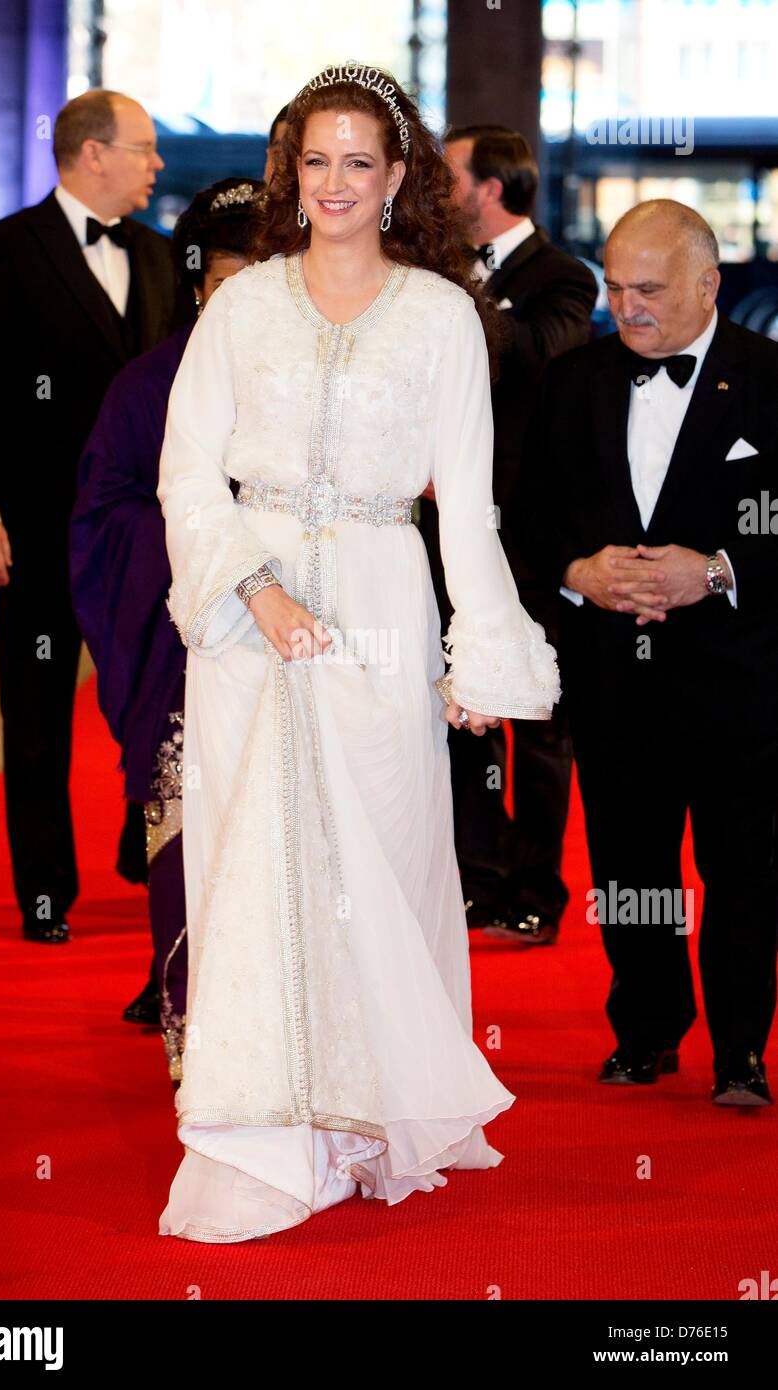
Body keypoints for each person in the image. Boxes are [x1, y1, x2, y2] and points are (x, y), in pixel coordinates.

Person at [155, 63, 560, 1244]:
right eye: (313, 161)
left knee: (377, 858)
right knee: (257, 862)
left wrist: (480, 655)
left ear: (396, 180)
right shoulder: (240, 306)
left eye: (358, 162)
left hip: (382, 605)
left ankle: (373, 1112)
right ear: (291, 174)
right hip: (245, 620)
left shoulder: (442, 317)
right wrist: (255, 586)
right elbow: (186, 471)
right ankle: (266, 1131)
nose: (333, 183)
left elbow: (469, 508)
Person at [524, 199, 778, 1104]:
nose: (626, 307)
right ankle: (646, 1031)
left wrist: (714, 571)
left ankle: (741, 1049)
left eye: (648, 290)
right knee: (630, 868)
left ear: (709, 286)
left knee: (745, 871)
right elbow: (525, 518)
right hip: (611, 681)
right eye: (615, 288)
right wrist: (577, 571)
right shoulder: (570, 380)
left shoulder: (769, 380)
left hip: (742, 682)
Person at [0, 89, 191, 944]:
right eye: (145, 148)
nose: (157, 165)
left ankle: (147, 855)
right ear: (93, 154)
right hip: (40, 531)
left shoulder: (162, 260)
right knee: (39, 715)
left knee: (153, 702)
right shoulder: (4, 251)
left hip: (147, 536)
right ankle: (44, 893)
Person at [70, 178, 266, 1075]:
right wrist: (212, 545)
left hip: (303, 661)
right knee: (191, 860)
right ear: (197, 288)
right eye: (229, 287)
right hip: (185, 659)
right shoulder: (147, 387)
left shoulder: (318, 384)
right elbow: (102, 519)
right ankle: (207, 1054)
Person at [420, 125, 597, 946]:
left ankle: (537, 889)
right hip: (444, 531)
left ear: (490, 189)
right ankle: (477, 876)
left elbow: (535, 358)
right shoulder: (434, 279)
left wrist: (457, 296)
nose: (433, 187)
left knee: (540, 723)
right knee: (461, 706)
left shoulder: (561, 278)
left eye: (447, 175)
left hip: (531, 534)